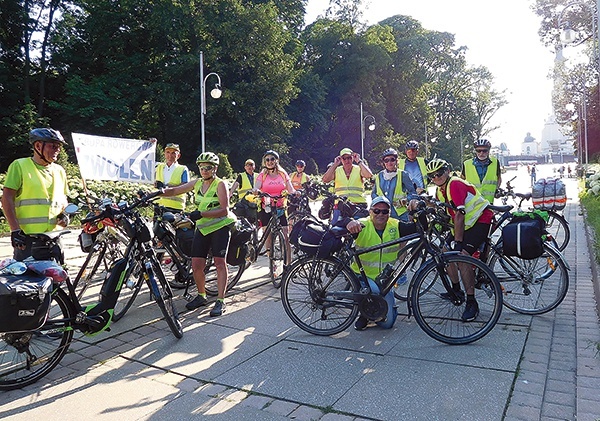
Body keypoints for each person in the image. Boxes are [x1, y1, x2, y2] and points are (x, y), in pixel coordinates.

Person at [161, 152, 236, 316]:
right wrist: (155, 193)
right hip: (203, 228)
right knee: (196, 265)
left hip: (220, 227)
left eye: (208, 167)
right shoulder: (197, 183)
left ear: (215, 168)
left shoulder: (220, 184)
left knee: (219, 264)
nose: (204, 170)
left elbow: (224, 210)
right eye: (202, 167)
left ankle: (220, 301)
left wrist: (201, 214)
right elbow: (175, 191)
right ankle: (201, 296)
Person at [427, 158, 493, 322]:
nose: (436, 178)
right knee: (444, 252)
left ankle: (472, 302)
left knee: (462, 257)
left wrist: (457, 241)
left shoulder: (454, 184)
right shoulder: (440, 190)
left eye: (439, 173)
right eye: (432, 176)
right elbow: (443, 211)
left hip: (480, 221)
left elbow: (459, 214)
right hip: (466, 225)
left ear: (447, 171)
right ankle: (456, 291)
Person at [344, 196, 416, 330]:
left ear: (389, 213)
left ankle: (372, 312)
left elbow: (418, 228)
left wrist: (415, 211)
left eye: (385, 211)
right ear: (370, 212)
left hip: (384, 280)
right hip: (362, 277)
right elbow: (340, 225)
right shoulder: (362, 224)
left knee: (388, 324)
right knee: (374, 292)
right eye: (376, 211)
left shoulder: (395, 225)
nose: (380, 214)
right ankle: (364, 314)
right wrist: (349, 222)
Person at [2, 128, 70, 263]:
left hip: (54, 239)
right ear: (38, 146)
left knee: (57, 280)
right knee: (28, 282)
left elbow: (63, 200)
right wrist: (15, 230)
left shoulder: (59, 171)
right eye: (53, 146)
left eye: (59, 147)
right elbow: (6, 198)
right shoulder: (20, 165)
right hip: (28, 240)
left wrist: (65, 215)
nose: (57, 150)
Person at [253, 150, 297, 271]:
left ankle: (288, 265)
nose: (270, 162)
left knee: (286, 237)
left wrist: (295, 193)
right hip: (266, 207)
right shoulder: (263, 174)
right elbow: (256, 186)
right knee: (268, 237)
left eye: (272, 159)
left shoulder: (283, 174)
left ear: (276, 160)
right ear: (264, 162)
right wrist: (256, 190)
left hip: (280, 207)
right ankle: (271, 263)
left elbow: (290, 188)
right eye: (267, 159)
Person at [321, 147, 372, 222]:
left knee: (359, 227)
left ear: (353, 158)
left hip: (358, 205)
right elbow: (325, 180)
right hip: (340, 206)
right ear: (341, 160)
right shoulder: (337, 170)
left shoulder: (359, 169)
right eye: (344, 158)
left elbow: (368, 175)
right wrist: (335, 165)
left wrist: (359, 161)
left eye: (349, 158)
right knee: (335, 228)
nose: (347, 160)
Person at [371, 148, 417, 221]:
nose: (389, 162)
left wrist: (405, 200)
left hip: (400, 215)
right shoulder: (379, 176)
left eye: (392, 159)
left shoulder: (403, 175)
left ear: (396, 161)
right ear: (383, 162)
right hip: (384, 214)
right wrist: (379, 203)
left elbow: (413, 193)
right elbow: (374, 193)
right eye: (386, 160)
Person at [461, 139, 501, 204]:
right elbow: (461, 181)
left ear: (488, 151)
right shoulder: (466, 164)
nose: (481, 153)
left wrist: (497, 189)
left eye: (484, 151)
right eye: (478, 151)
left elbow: (498, 178)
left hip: (488, 202)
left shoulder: (495, 162)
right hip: (472, 202)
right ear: (475, 151)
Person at [154, 143, 190, 212]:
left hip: (175, 207)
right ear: (164, 154)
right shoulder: (158, 166)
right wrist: (151, 144)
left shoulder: (183, 169)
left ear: (178, 155)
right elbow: (146, 160)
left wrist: (167, 187)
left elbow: (186, 186)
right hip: (159, 205)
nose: (170, 155)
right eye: (168, 152)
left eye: (173, 153)